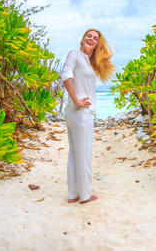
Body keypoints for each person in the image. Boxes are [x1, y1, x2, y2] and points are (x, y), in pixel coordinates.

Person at [60, 29, 115, 204]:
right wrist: (76, 100)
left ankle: (73, 195)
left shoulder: (88, 62)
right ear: (83, 38)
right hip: (81, 113)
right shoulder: (75, 54)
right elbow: (65, 74)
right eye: (88, 35)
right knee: (84, 155)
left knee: (75, 154)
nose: (90, 38)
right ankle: (85, 196)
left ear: (98, 44)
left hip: (74, 113)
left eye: (95, 38)